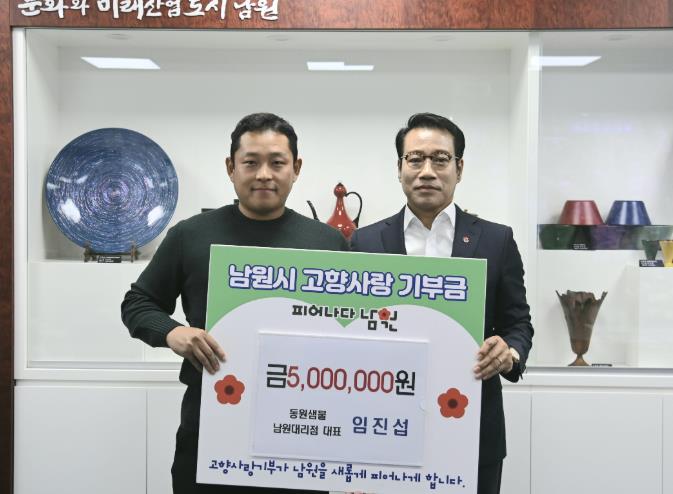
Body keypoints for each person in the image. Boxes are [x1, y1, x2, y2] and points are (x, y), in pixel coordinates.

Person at [121, 113, 347, 493]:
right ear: (231, 167)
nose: (264, 174)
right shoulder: (190, 235)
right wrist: (173, 332)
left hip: (303, 428)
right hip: (211, 422)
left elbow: (352, 327)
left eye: (277, 163)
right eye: (251, 162)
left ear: (296, 168)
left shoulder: (328, 244)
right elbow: (137, 302)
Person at [350, 112, 534, 494]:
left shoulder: (496, 240)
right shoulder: (364, 242)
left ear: (459, 168)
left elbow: (518, 323)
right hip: (382, 425)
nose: (427, 171)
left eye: (440, 159)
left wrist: (510, 352)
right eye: (415, 159)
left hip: (471, 424)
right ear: (399, 167)